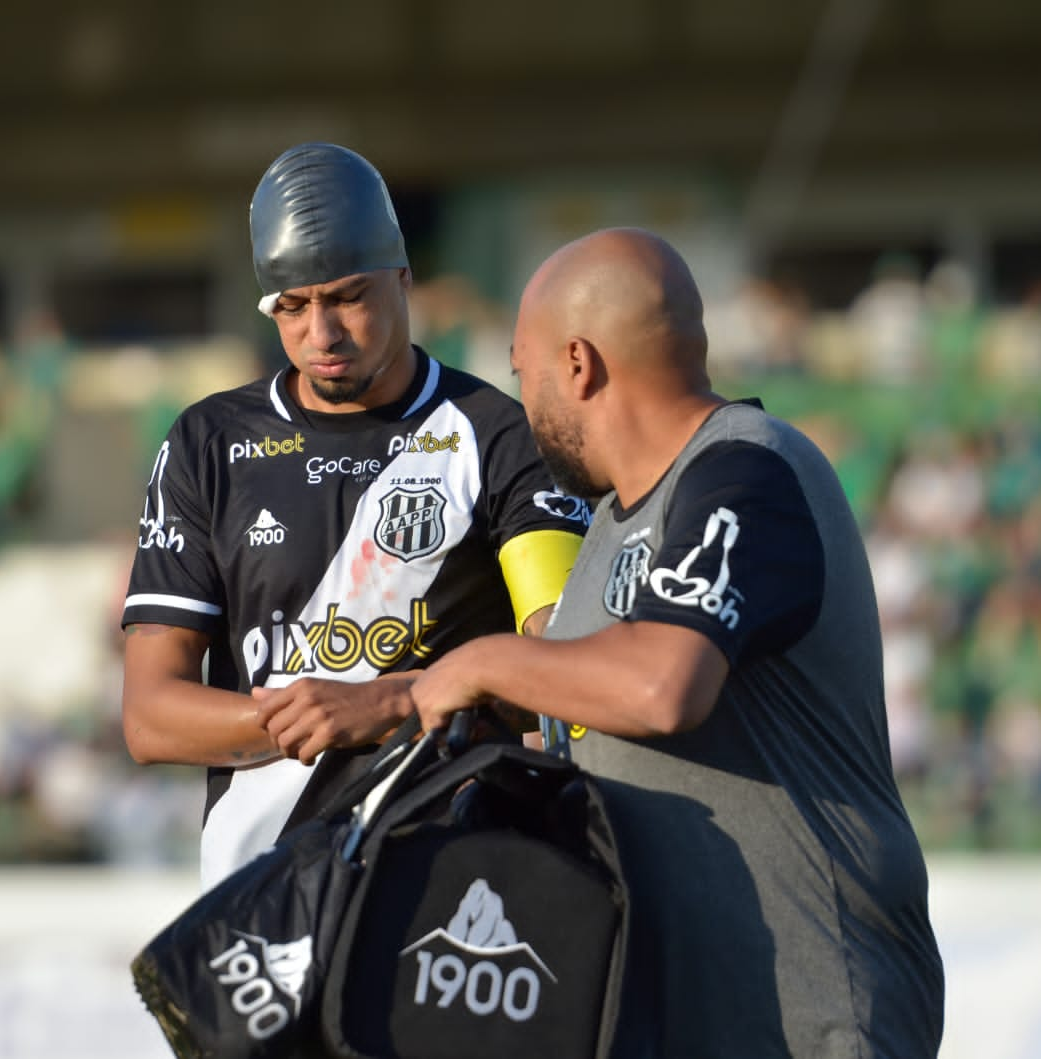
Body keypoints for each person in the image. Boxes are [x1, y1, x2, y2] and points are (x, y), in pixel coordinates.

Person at [411, 228, 946, 1057]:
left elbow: (664, 685)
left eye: (524, 372)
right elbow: (582, 701)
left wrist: (478, 660)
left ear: (578, 364)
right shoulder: (614, 525)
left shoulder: (748, 473)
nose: (524, 401)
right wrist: (387, 704)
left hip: (810, 1019)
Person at [119, 143, 587, 889]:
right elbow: (150, 715)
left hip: (455, 883)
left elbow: (573, 669)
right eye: (293, 307)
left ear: (404, 278)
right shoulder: (207, 444)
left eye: (347, 297)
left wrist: (394, 702)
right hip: (262, 894)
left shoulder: (500, 435)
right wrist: (313, 717)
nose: (321, 334)